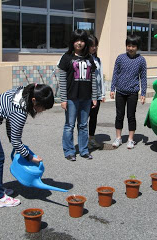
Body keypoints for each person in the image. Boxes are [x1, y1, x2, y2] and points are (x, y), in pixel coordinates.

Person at [0, 83, 54, 208]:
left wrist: (12, 138)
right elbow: (16, 141)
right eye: (43, 107)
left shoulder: (22, 91)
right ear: (34, 100)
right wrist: (30, 158)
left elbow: (9, 119)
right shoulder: (20, 111)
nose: (43, 111)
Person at [58, 29, 97, 161]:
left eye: (82, 40)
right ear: (72, 42)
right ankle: (69, 151)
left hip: (86, 98)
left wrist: (94, 96)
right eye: (76, 40)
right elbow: (62, 80)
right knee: (69, 125)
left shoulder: (89, 58)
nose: (79, 43)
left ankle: (84, 150)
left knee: (83, 125)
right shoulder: (66, 57)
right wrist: (63, 99)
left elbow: (93, 79)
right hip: (71, 98)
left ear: (85, 42)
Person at [110, 34, 147, 149]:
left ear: (137, 47)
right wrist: (112, 89)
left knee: (131, 116)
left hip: (133, 92)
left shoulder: (141, 60)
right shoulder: (120, 58)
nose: (130, 48)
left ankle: (131, 139)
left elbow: (144, 77)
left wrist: (143, 93)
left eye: (133, 46)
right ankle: (118, 138)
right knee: (119, 115)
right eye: (128, 45)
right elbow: (115, 73)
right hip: (120, 91)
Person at [87, 35, 105, 150]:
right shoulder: (83, 59)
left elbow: (101, 78)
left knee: (93, 118)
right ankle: (83, 141)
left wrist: (102, 94)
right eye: (91, 45)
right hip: (85, 95)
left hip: (97, 94)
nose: (94, 48)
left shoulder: (98, 60)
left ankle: (91, 139)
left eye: (95, 46)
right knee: (83, 119)